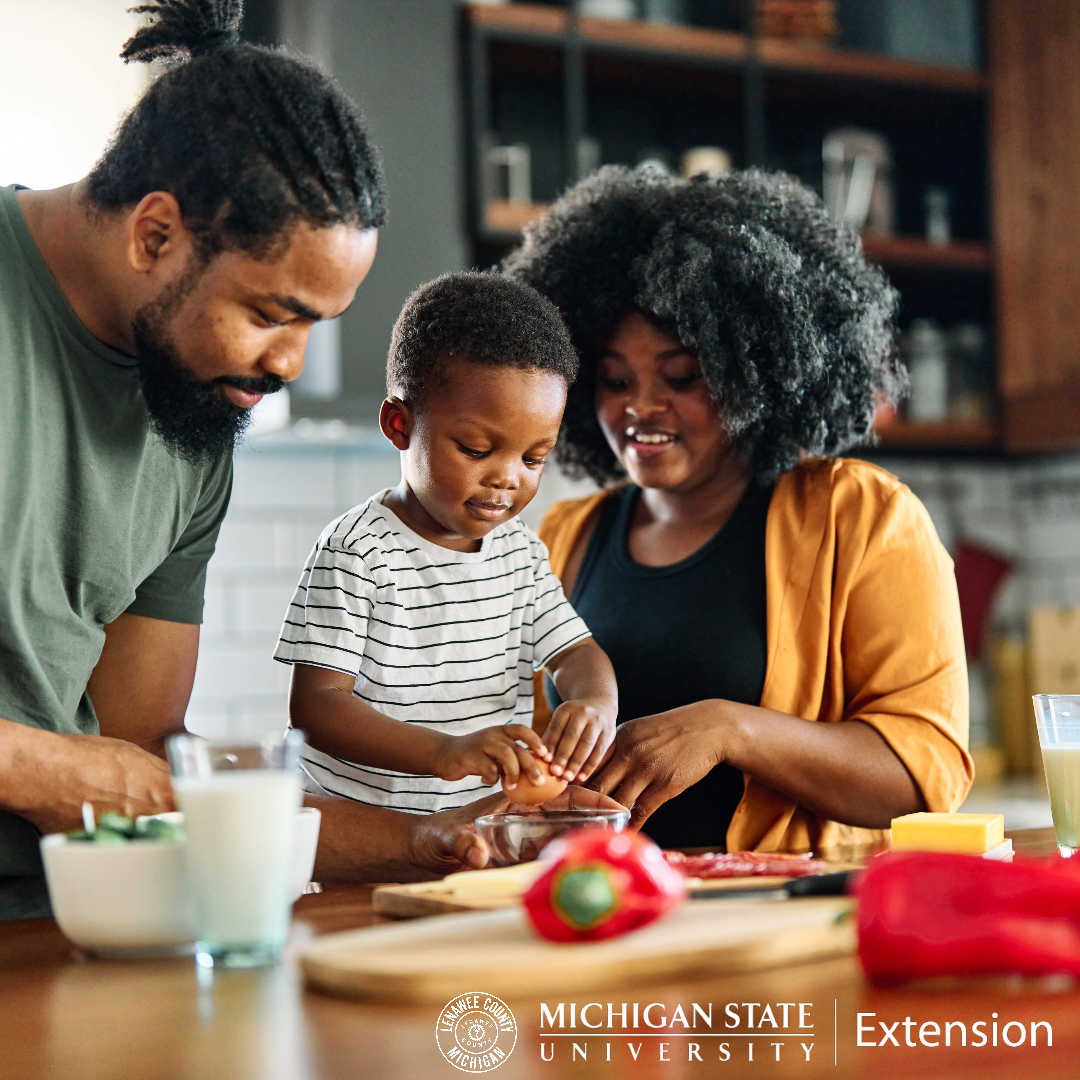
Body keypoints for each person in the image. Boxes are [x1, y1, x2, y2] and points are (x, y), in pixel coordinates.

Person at [0, 0, 591, 920]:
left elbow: (143, 755)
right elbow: (94, 774)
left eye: (317, 324)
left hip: (59, 917)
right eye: (272, 314)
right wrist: (43, 767)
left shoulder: (196, 414)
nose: (289, 364)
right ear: (155, 234)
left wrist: (431, 840)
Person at [505, 165, 972, 853]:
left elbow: (924, 773)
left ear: (753, 370)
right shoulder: (565, 535)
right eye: (614, 379)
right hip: (599, 900)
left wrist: (731, 729)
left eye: (681, 376)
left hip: (775, 906)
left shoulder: (859, 516)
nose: (640, 408)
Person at [276, 273, 619, 811]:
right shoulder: (358, 552)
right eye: (477, 449)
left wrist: (595, 703)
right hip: (367, 833)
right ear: (399, 424)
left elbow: (574, 652)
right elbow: (317, 708)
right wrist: (444, 752)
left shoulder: (519, 552)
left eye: (534, 457)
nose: (507, 478)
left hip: (478, 828)